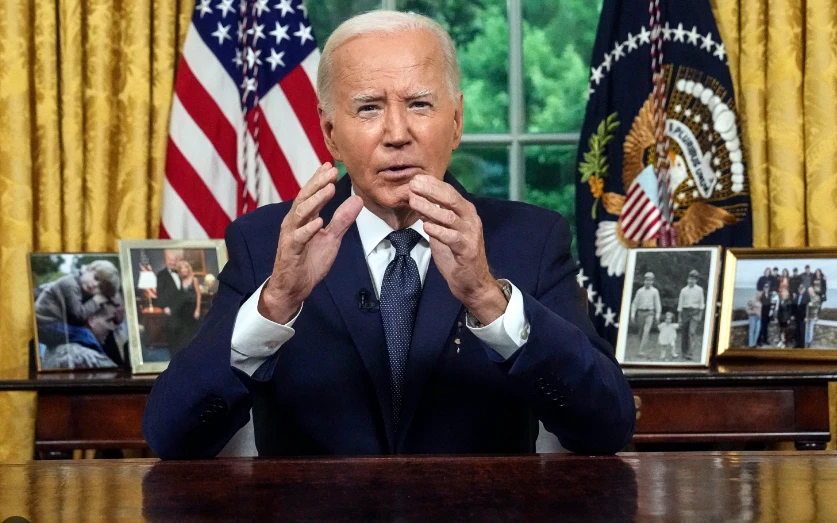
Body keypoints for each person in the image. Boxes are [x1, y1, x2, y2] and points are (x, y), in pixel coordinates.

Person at [142, 11, 635, 459]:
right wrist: (274, 304)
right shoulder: (265, 242)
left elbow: (606, 427)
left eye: (420, 104)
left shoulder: (532, 238)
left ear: (457, 119)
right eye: (369, 108)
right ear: (330, 131)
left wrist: (488, 298)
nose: (397, 133)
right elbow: (172, 437)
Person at [35, 260, 121, 348]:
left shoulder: (81, 287)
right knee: (85, 335)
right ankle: (101, 360)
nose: (95, 284)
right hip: (43, 323)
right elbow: (78, 315)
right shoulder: (71, 284)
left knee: (82, 334)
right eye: (96, 278)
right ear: (88, 269)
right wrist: (96, 301)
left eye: (100, 287)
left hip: (52, 323)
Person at [169, 260, 202, 357]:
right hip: (183, 310)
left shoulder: (194, 279)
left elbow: (198, 295)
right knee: (184, 331)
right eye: (181, 269)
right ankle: (185, 351)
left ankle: (194, 352)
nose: (184, 271)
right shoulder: (180, 281)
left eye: (185, 268)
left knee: (193, 331)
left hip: (192, 308)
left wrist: (197, 310)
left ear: (188, 269)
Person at [156, 249, 184, 351]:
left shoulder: (183, 272)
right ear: (166, 260)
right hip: (171, 311)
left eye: (174, 259)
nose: (172, 262)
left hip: (183, 310)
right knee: (173, 337)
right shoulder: (161, 275)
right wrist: (165, 307)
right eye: (170, 259)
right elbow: (160, 294)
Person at [630, 272, 661, 358]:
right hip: (640, 312)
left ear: (652, 281)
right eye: (647, 280)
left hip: (650, 313)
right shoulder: (640, 291)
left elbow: (657, 304)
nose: (648, 282)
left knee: (646, 331)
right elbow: (635, 303)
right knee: (640, 332)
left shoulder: (655, 291)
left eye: (650, 280)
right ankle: (641, 347)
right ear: (644, 281)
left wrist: (658, 315)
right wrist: (633, 314)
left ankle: (641, 351)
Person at [677, 269, 704, 360]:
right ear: (687, 279)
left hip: (695, 312)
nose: (691, 281)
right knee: (684, 333)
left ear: (696, 280)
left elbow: (701, 303)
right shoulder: (683, 290)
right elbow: (680, 304)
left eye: (693, 279)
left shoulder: (699, 290)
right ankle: (684, 352)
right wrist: (679, 317)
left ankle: (690, 353)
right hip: (685, 312)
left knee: (691, 332)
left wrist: (700, 314)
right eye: (690, 279)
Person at [793, 283, 810, 348]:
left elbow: (808, 308)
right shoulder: (797, 296)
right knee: (797, 330)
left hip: (803, 317)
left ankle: (802, 345)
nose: (800, 290)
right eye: (799, 289)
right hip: (797, 316)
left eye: (802, 289)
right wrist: (793, 315)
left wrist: (806, 316)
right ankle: (797, 344)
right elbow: (794, 306)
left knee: (802, 331)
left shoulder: (807, 297)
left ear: (804, 289)